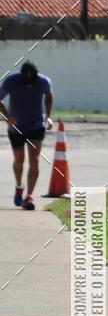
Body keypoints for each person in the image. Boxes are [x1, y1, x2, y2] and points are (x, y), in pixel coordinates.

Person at [0, 61, 54, 210]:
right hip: (16, 128)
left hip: (36, 126)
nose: (29, 85)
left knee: (34, 160)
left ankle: (29, 196)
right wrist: (7, 117)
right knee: (19, 161)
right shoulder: (11, 81)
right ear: (21, 76)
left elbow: (49, 96)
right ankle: (19, 186)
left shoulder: (43, 81)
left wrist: (48, 117)